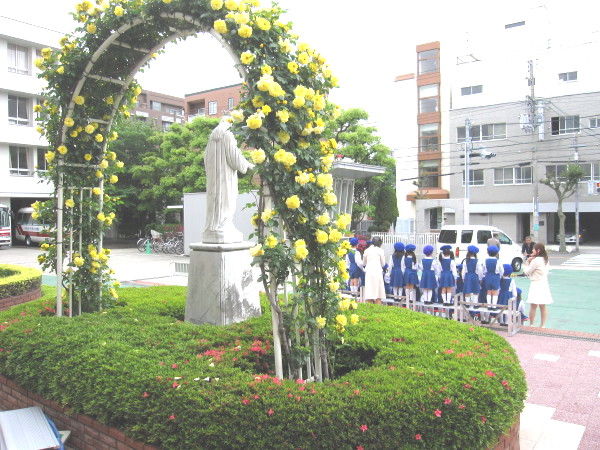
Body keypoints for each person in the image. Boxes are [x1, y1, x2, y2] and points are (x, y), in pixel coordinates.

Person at [203, 115, 254, 244]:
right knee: (227, 200)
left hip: (213, 179)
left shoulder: (211, 139)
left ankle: (213, 227)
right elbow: (235, 157)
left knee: (214, 201)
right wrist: (247, 164)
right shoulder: (228, 135)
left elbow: (206, 159)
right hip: (226, 177)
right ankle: (223, 225)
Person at [523, 243, 553, 328]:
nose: (532, 250)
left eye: (534, 249)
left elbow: (527, 272)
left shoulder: (536, 260)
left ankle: (531, 324)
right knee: (542, 306)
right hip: (544, 283)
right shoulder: (545, 260)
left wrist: (527, 262)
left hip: (536, 284)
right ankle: (542, 325)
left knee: (533, 305)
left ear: (538, 250)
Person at [362, 236, 386, 305]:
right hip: (377, 272)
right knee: (378, 294)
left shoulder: (367, 250)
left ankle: (368, 309)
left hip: (369, 273)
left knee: (369, 293)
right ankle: (377, 309)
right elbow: (383, 264)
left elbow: (364, 263)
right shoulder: (380, 250)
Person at [481, 245, 503, 311]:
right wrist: (500, 275)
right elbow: (501, 270)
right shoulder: (498, 261)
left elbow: (483, 269)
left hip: (488, 276)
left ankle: (489, 305)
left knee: (489, 291)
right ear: (496, 253)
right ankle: (494, 306)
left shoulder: (485, 261)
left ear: (488, 252)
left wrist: (484, 274)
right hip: (495, 276)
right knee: (495, 291)